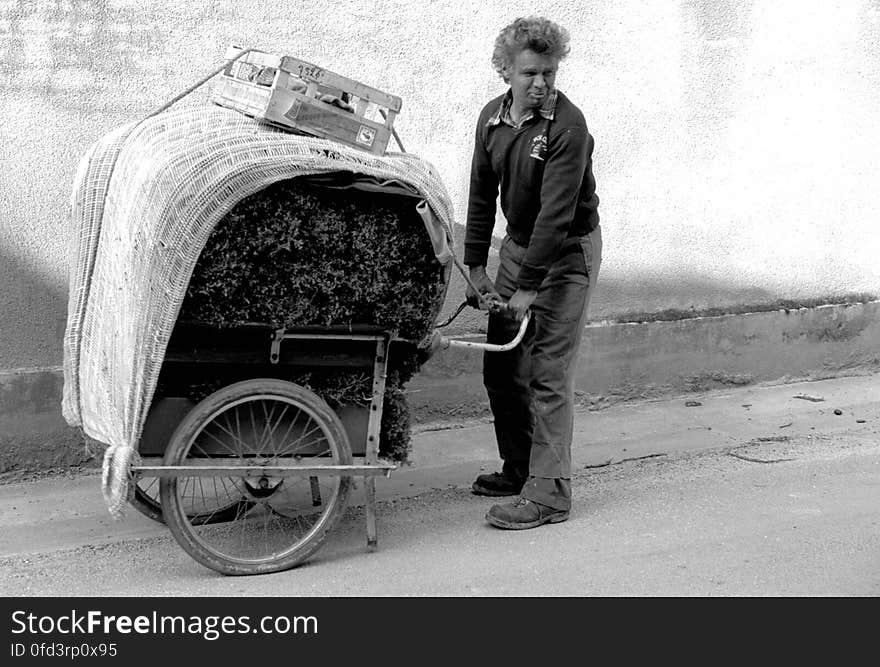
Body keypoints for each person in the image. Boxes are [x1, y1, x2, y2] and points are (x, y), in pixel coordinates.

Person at [464, 16, 602, 530]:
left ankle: (549, 492)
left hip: (566, 255)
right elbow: (481, 194)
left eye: (549, 72)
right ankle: (521, 468)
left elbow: (556, 215)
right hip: (519, 249)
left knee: (547, 372)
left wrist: (526, 290)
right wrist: (476, 264)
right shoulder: (491, 121)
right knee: (502, 368)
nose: (541, 83)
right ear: (506, 71)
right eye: (529, 73)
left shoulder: (568, 127)